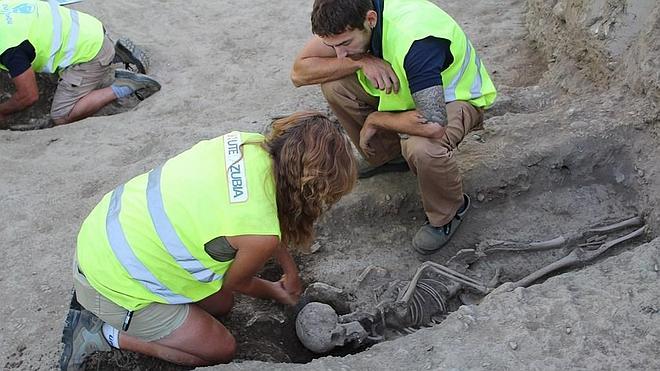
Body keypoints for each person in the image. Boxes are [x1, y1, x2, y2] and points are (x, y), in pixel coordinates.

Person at [59, 112, 357, 370]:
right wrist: (276, 292)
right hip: (111, 283)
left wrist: (290, 271)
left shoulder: (245, 143)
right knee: (219, 349)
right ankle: (102, 333)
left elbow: (259, 214)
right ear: (310, 191)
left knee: (222, 305)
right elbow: (237, 282)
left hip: (104, 233)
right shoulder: (260, 235)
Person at [291, 0, 497, 254]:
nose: (340, 53)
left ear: (370, 20)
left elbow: (434, 125)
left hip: (451, 99)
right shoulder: (347, 19)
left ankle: (448, 213)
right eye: (333, 46)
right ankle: (388, 157)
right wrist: (361, 61)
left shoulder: (416, 42)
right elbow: (299, 73)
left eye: (345, 44)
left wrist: (376, 120)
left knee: (423, 147)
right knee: (335, 85)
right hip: (409, 90)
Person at [0, 0, 160, 129]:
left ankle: (125, 86)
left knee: (61, 115)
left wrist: (3, 110)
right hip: (86, 28)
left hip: (89, 54)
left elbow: (29, 96)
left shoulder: (10, 48)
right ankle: (116, 55)